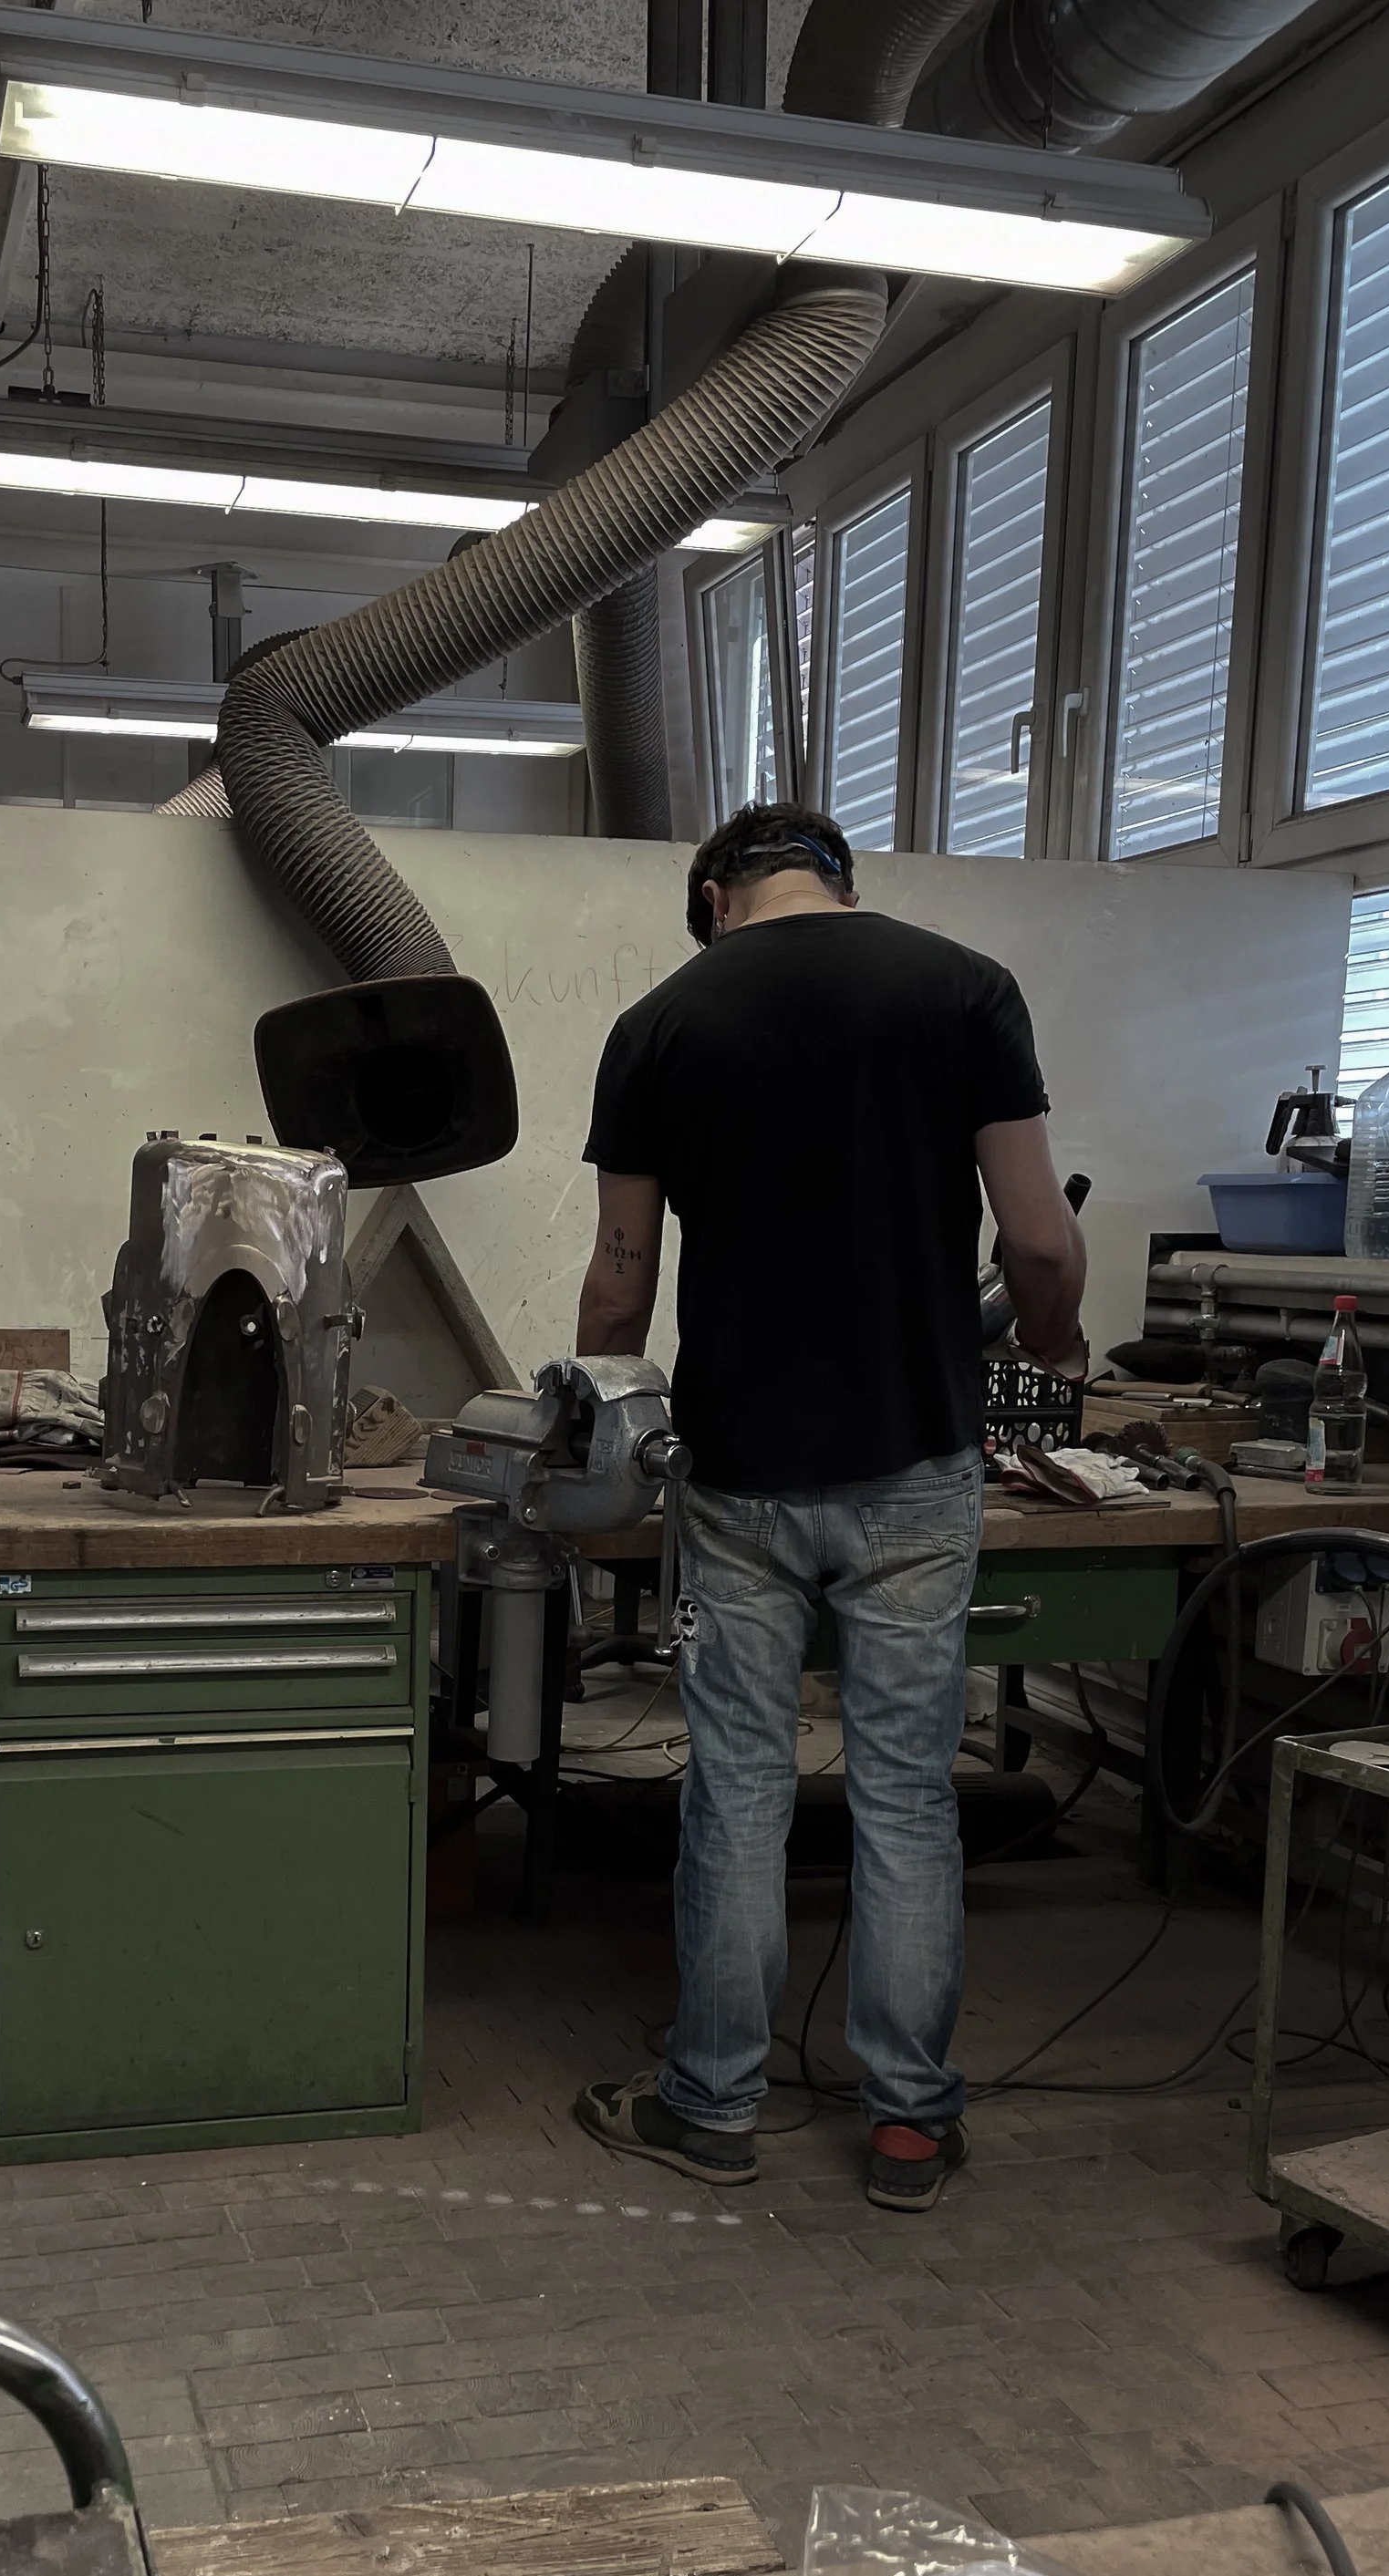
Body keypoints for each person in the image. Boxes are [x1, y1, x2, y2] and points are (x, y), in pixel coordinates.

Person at [570, 802, 1087, 2211]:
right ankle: (909, 2126)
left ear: (713, 897)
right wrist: (1054, 1348)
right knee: (908, 1795)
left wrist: (597, 1424)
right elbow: (1039, 1242)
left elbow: (620, 1281)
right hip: (917, 1460)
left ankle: (711, 2106)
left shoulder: (659, 1025)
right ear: (839, 881)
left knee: (738, 1789)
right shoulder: (967, 990)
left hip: (741, 1470)